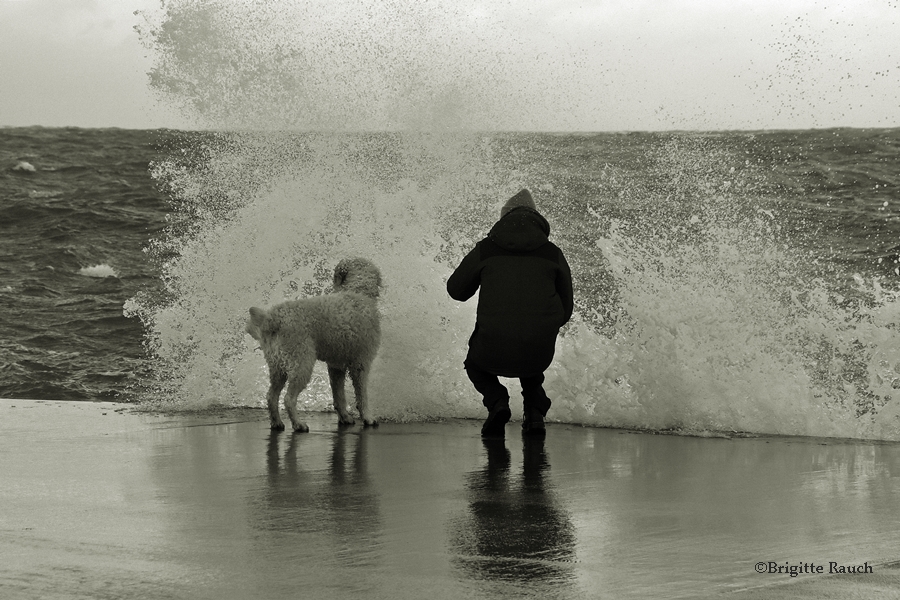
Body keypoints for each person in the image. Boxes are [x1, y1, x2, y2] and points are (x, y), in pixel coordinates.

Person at [447, 188, 574, 437]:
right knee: (530, 351)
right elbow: (566, 310)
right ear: (538, 220)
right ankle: (535, 412)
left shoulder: (487, 249)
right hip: (538, 354)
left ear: (503, 219)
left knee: (474, 365)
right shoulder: (553, 254)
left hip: (490, 351)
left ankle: (497, 402)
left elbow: (456, 291)